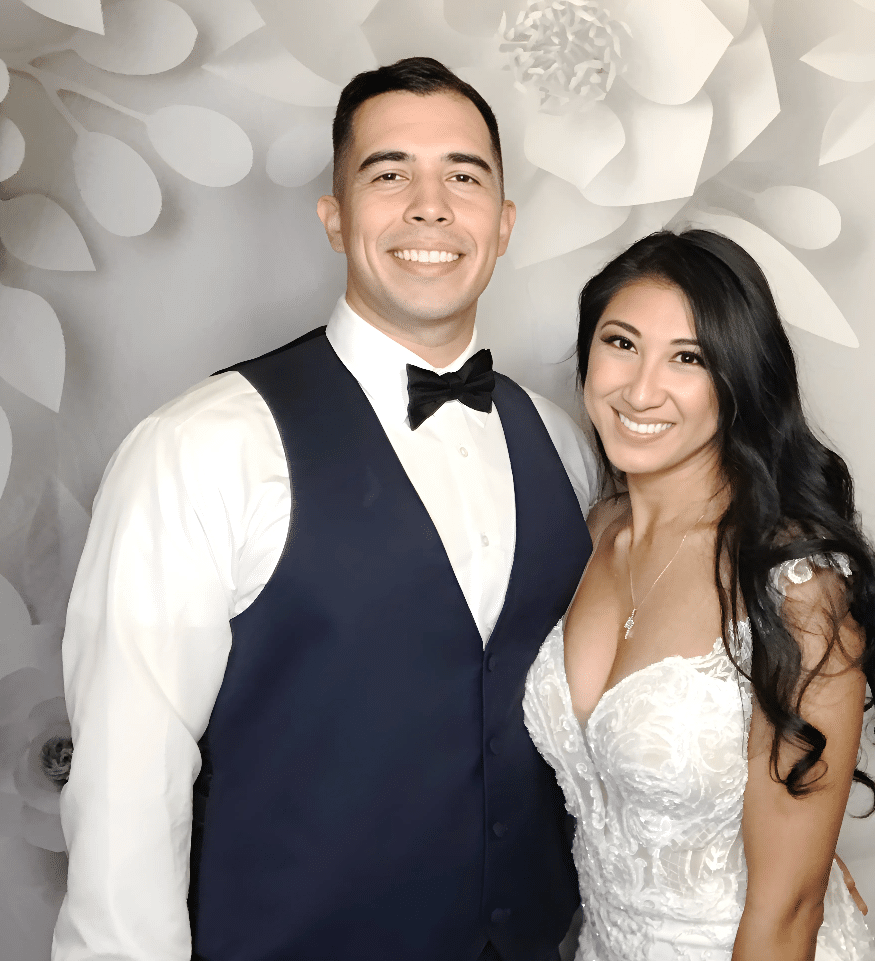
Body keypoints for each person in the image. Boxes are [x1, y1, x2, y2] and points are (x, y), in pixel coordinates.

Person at [54, 57, 598, 961]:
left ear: (501, 226)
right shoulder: (202, 446)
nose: (431, 206)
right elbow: (126, 787)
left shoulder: (564, 444)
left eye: (464, 176)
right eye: (389, 174)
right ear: (335, 218)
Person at [523, 229, 875, 960]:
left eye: (689, 358)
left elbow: (786, 912)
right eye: (621, 343)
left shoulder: (795, 590)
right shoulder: (590, 532)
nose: (641, 389)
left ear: (739, 380)